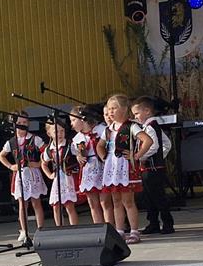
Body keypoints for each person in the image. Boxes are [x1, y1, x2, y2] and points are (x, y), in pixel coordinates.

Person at [96, 94, 147, 243]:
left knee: (128, 201)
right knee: (116, 201)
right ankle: (119, 231)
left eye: (114, 108)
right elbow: (99, 146)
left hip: (125, 167)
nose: (110, 112)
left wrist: (136, 155)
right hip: (112, 168)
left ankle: (134, 231)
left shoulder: (131, 126)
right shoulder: (108, 129)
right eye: (109, 109)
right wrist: (105, 157)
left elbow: (147, 140)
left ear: (124, 109)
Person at [0, 112, 49, 246]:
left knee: (36, 202)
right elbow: (1, 155)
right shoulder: (11, 142)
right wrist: (10, 166)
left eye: (25, 122)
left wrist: (39, 163)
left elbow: (47, 152)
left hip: (33, 174)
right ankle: (24, 231)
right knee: (22, 204)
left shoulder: (35, 139)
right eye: (19, 123)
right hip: (20, 175)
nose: (22, 125)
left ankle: (41, 230)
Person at [131, 97, 175, 235]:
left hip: (152, 169)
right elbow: (167, 144)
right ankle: (153, 223)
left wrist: (141, 157)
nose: (135, 117)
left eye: (137, 113)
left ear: (147, 111)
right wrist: (161, 157)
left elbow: (154, 145)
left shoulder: (150, 127)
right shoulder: (150, 126)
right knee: (148, 197)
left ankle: (167, 224)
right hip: (150, 168)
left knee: (158, 197)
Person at [41, 115, 80, 226]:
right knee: (56, 206)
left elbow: (79, 154)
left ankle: (75, 229)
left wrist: (78, 158)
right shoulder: (49, 149)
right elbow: (44, 163)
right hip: (57, 179)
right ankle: (59, 228)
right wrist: (49, 175)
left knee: (69, 205)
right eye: (56, 131)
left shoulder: (69, 145)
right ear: (49, 133)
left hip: (68, 178)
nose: (60, 134)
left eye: (62, 131)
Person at [73, 106, 108, 227]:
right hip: (89, 169)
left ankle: (111, 227)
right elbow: (78, 153)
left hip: (102, 165)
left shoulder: (101, 130)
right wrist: (79, 156)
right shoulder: (77, 138)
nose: (71, 124)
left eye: (73, 120)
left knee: (105, 202)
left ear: (83, 119)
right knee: (92, 203)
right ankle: (98, 227)